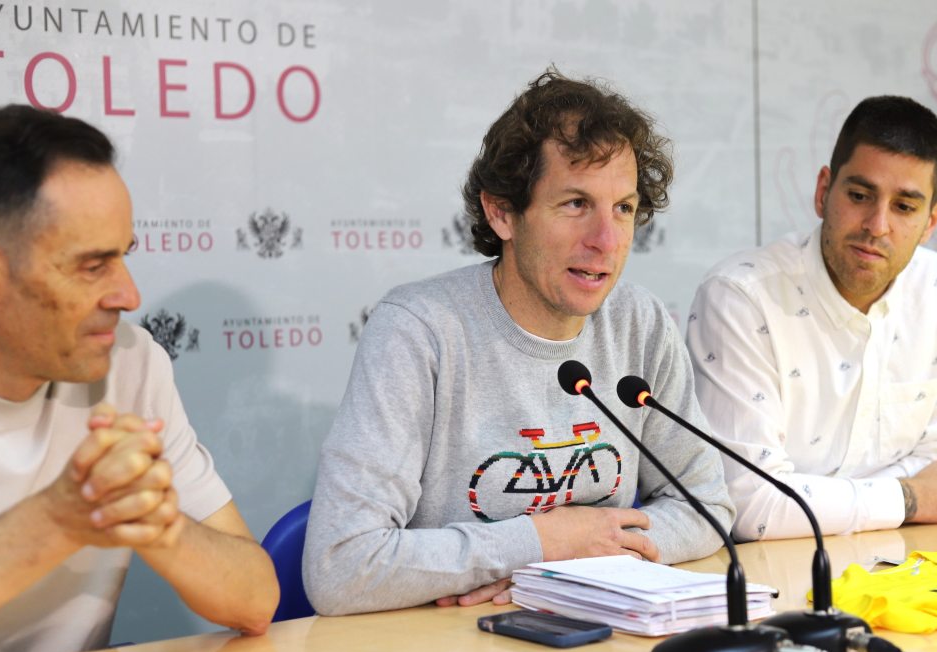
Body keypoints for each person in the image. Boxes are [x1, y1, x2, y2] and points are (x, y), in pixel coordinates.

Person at [306, 68, 733, 614]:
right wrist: (541, 544)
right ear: (502, 212)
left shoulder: (641, 323)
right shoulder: (419, 330)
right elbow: (340, 567)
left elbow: (708, 506)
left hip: (592, 641)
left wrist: (571, 567)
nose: (607, 240)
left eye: (623, 208)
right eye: (576, 203)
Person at [0, 105, 278, 652]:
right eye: (91, 266)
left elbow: (255, 601)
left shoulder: (128, 360)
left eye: (123, 256)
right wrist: (58, 520)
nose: (129, 296)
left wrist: (156, 522)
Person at [687, 95, 937, 541]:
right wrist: (910, 498)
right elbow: (750, 504)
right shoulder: (740, 298)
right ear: (824, 190)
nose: (877, 225)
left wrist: (827, 500)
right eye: (860, 195)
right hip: (774, 579)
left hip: (907, 561)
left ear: (932, 221)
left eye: (904, 207)